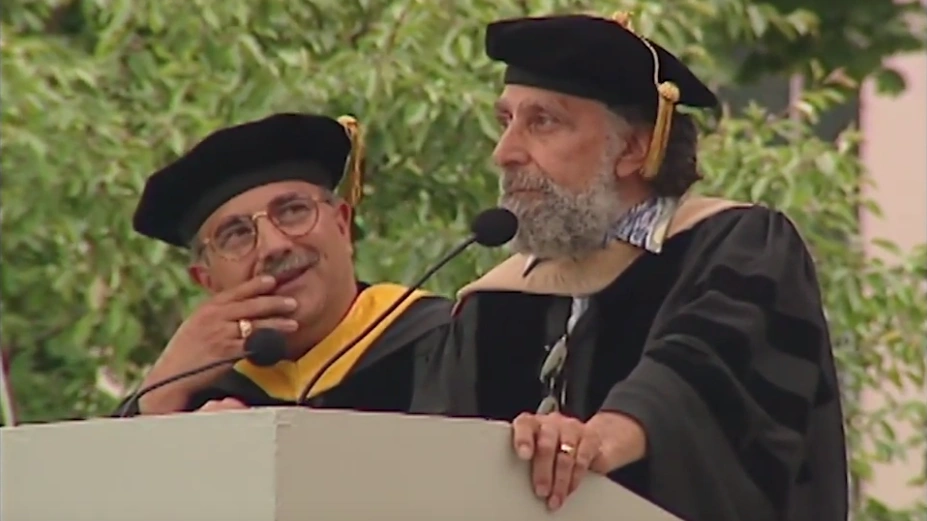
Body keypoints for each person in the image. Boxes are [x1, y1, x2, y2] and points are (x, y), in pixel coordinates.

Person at [411, 13, 848, 521]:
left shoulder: (737, 246)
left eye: (542, 122)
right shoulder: (493, 300)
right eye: (505, 121)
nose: (504, 153)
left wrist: (596, 440)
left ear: (634, 149)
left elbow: (705, 369)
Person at [118, 112, 452, 416]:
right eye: (235, 234)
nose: (274, 246)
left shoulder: (448, 345)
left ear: (342, 225)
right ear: (207, 281)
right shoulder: (194, 398)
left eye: (293, 211)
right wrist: (160, 394)